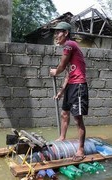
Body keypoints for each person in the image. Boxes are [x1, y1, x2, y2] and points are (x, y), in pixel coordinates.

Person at [49, 22, 89, 162]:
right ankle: (62, 137)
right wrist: (61, 92)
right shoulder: (69, 48)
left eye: (58, 32)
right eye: (55, 33)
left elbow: (62, 66)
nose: (56, 36)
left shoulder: (70, 45)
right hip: (71, 84)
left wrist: (55, 71)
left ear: (66, 33)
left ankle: (81, 149)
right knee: (64, 113)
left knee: (78, 119)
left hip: (78, 85)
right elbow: (68, 74)